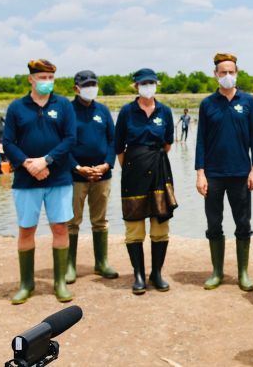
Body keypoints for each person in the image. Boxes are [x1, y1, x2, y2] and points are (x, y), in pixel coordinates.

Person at [3, 59, 76, 304]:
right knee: (26, 229)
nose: (46, 82)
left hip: (59, 177)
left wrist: (46, 161)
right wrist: (28, 164)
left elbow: (70, 138)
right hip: (26, 179)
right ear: (30, 79)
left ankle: (60, 283)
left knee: (60, 227)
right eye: (41, 77)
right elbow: (8, 143)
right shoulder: (17, 107)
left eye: (50, 78)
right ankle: (27, 283)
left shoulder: (64, 105)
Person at [195, 53, 253, 291]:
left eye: (230, 72)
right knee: (214, 223)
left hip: (241, 173)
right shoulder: (207, 104)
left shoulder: (247, 101)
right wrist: (200, 173)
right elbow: (201, 141)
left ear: (237, 73)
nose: (227, 76)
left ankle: (243, 272)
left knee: (243, 223)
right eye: (222, 72)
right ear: (215, 75)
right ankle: (217, 271)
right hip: (213, 174)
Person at [115, 68, 177, 295]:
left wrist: (151, 160)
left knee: (160, 226)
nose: (148, 86)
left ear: (156, 84)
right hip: (133, 174)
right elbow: (118, 148)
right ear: (136, 86)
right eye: (143, 83)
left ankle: (156, 273)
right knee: (134, 228)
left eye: (151, 82)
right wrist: (133, 166)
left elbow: (168, 143)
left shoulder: (165, 111)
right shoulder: (126, 112)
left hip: (160, 172)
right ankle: (138, 275)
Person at [65, 70, 118, 284]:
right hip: (75, 176)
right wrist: (77, 167)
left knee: (100, 220)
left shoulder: (103, 111)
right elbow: (61, 144)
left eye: (93, 84)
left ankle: (101, 262)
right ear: (76, 88)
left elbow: (113, 141)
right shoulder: (67, 111)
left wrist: (106, 164)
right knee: (72, 221)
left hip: (102, 175)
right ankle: (69, 265)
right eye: (86, 85)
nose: (91, 88)